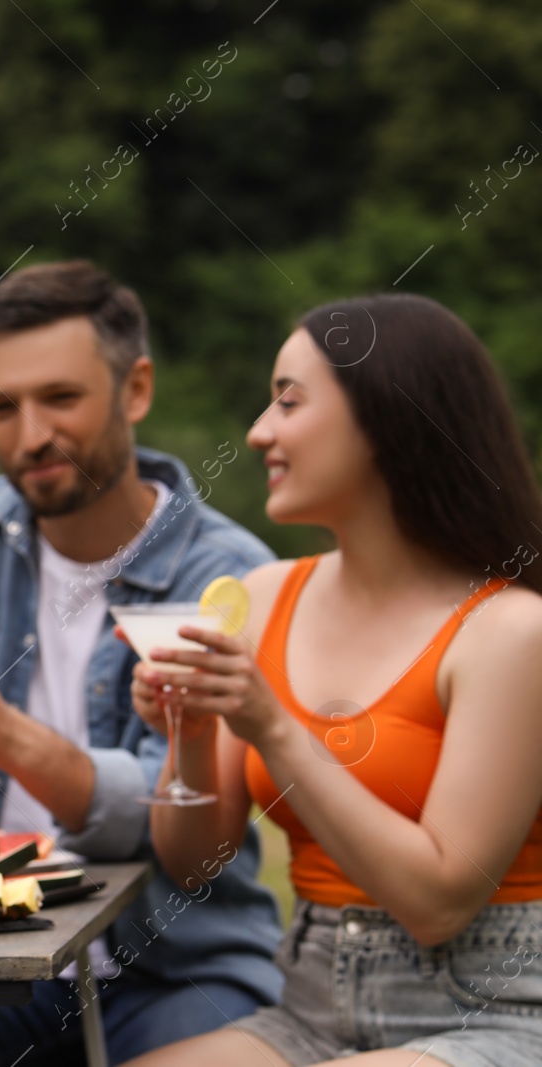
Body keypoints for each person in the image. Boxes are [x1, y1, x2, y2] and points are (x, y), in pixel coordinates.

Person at [0, 260, 285, 1065]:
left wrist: (8, 738)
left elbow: (180, 826)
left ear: (135, 390)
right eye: (2, 406)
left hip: (175, 966)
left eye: (60, 399)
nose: (31, 435)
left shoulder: (228, 577)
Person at [121, 294, 542, 1067]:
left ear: (387, 420)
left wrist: (273, 727)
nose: (258, 431)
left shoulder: (511, 632)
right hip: (310, 1010)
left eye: (288, 401)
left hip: (501, 1013)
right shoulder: (268, 594)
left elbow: (438, 902)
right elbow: (194, 863)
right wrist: (192, 729)